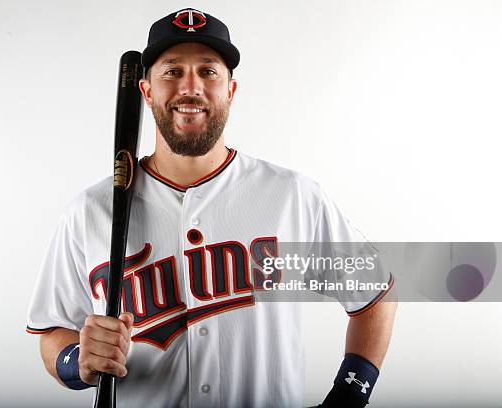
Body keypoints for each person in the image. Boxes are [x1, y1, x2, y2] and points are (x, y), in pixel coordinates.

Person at [26, 8, 397, 408]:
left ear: (230, 91)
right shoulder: (90, 211)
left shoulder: (293, 196)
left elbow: (377, 292)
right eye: (172, 71)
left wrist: (347, 396)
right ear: (147, 90)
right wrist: (76, 360)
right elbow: (53, 333)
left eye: (208, 71)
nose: (191, 87)